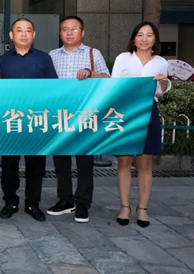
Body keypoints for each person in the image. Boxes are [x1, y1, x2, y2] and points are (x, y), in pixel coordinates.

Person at [47, 16, 110, 223]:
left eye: (74, 29)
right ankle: (66, 200)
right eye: (65, 29)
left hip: (86, 114)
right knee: (61, 160)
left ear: (82, 32)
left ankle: (83, 203)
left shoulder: (93, 53)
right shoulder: (52, 55)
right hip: (60, 114)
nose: (69, 32)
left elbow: (108, 79)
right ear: (60, 33)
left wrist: (91, 73)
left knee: (84, 160)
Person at [0, 18, 58, 222]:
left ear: (34, 35)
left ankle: (33, 203)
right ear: (11, 35)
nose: (24, 34)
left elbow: (53, 88)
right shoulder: (2, 61)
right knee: (9, 165)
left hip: (36, 119)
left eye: (28, 30)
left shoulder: (44, 59)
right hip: (10, 119)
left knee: (36, 165)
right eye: (19, 30)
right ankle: (10, 202)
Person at [112, 22, 170, 228]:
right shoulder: (123, 58)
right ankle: (125, 206)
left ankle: (143, 208)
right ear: (134, 38)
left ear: (155, 39)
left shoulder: (161, 62)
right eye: (140, 35)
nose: (144, 39)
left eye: (149, 35)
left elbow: (161, 92)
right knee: (124, 162)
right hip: (125, 112)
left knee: (145, 163)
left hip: (148, 111)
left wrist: (163, 83)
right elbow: (114, 85)